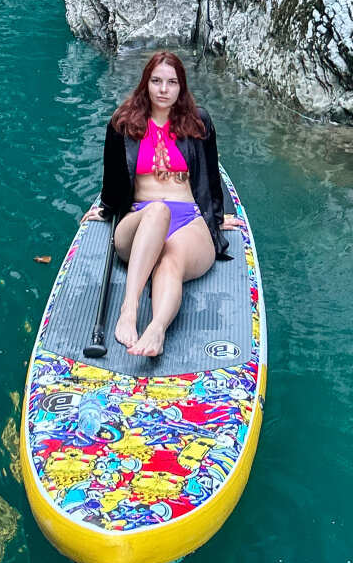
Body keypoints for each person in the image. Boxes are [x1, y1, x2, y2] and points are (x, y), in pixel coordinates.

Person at [84, 51, 242, 358]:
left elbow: (209, 174)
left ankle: (157, 329)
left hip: (189, 221)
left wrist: (217, 217)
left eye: (171, 82)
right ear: (146, 84)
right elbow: (113, 177)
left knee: (170, 262)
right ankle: (128, 312)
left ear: (181, 87)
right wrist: (105, 209)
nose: (163, 89)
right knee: (158, 209)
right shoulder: (122, 123)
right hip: (140, 219)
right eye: (156, 81)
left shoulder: (199, 121)